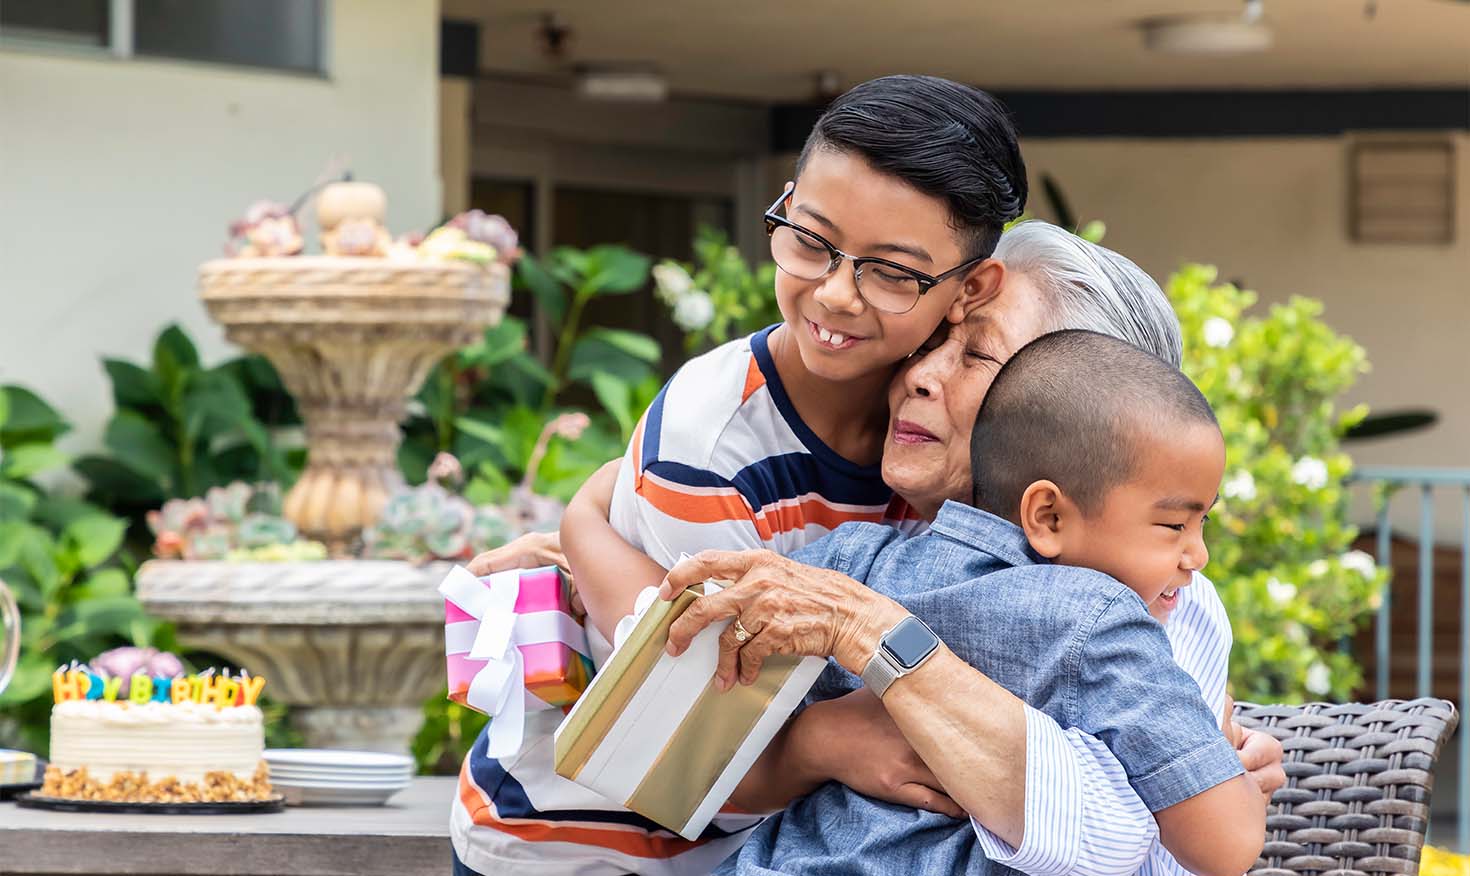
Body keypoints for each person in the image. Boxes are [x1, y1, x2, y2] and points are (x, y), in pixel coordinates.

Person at [463, 223, 1285, 876]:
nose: (920, 373)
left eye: (978, 353)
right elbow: (675, 723)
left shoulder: (1155, 596)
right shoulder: (865, 539)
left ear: (1090, 422)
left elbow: (1125, 840)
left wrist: (887, 652)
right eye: (934, 341)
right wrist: (601, 526)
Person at [450, 73, 1028, 876]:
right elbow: (681, 753)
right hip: (583, 845)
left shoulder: (953, 428)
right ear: (786, 202)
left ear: (972, 289)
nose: (835, 294)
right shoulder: (708, 444)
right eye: (812, 241)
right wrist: (832, 739)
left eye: (892, 272)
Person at [676, 328, 1261, 875]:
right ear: (1047, 516)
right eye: (1175, 525)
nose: (1196, 555)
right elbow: (1226, 844)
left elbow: (681, 701)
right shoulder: (1108, 625)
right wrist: (1219, 758)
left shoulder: (856, 563)